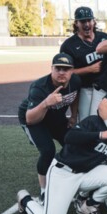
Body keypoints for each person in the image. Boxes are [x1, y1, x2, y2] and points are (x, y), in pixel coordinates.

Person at [16, 97, 107, 214]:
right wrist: (101, 135)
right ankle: (25, 199)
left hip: (85, 175)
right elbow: (69, 137)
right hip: (63, 173)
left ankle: (87, 205)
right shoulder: (95, 122)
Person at [18, 53, 81, 199]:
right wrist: (46, 103)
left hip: (56, 117)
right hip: (35, 118)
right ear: (51, 69)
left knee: (72, 144)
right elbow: (30, 119)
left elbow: (75, 96)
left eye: (66, 69)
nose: (61, 72)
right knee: (47, 150)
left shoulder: (75, 81)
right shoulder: (39, 87)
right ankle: (44, 190)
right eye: (58, 68)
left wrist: (73, 116)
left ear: (72, 71)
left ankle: (63, 176)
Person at [60, 6, 107, 121]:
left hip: (103, 87)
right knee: (85, 120)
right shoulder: (69, 45)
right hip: (84, 89)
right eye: (82, 21)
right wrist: (89, 69)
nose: (86, 24)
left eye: (89, 20)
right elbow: (65, 72)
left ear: (94, 21)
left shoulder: (104, 37)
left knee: (98, 119)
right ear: (76, 23)